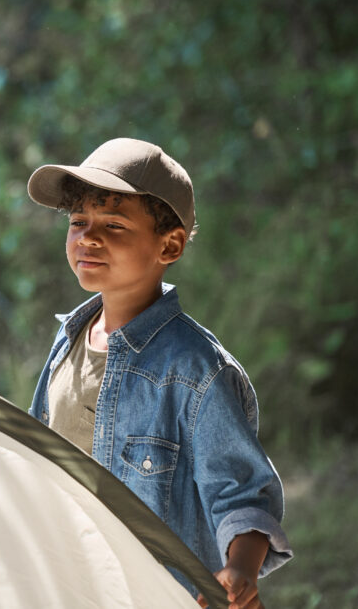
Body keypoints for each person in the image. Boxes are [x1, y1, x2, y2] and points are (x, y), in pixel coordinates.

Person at [25, 138, 291, 608]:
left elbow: (243, 494)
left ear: (169, 245)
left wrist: (240, 570)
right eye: (78, 222)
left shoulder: (196, 370)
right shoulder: (67, 340)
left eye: (114, 224)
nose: (88, 237)